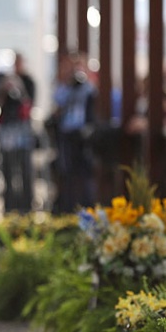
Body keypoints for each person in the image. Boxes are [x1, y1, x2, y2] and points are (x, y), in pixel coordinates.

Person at [0, 52, 36, 213]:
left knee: (25, 172)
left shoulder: (28, 81)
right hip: (7, 132)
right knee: (7, 171)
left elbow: (29, 102)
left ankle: (27, 208)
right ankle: (9, 207)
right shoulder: (1, 81)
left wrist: (19, 87)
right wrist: (3, 88)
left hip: (23, 133)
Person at [49, 51, 97, 213]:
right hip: (66, 135)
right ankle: (68, 207)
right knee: (67, 172)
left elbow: (93, 97)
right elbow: (58, 102)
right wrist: (67, 82)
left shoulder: (88, 88)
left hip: (83, 137)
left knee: (84, 174)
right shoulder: (66, 88)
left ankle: (86, 206)